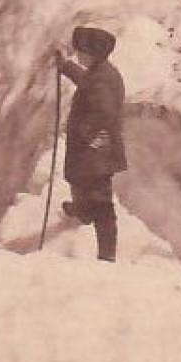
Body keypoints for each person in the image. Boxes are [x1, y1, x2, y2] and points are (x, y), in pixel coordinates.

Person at [52, 25, 128, 261]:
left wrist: (85, 133)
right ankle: (82, 211)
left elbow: (103, 113)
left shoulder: (103, 79)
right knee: (80, 179)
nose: (79, 55)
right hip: (93, 148)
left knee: (100, 197)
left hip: (98, 149)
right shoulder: (99, 72)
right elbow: (86, 81)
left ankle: (107, 254)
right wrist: (66, 66)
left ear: (94, 53)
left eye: (81, 52)